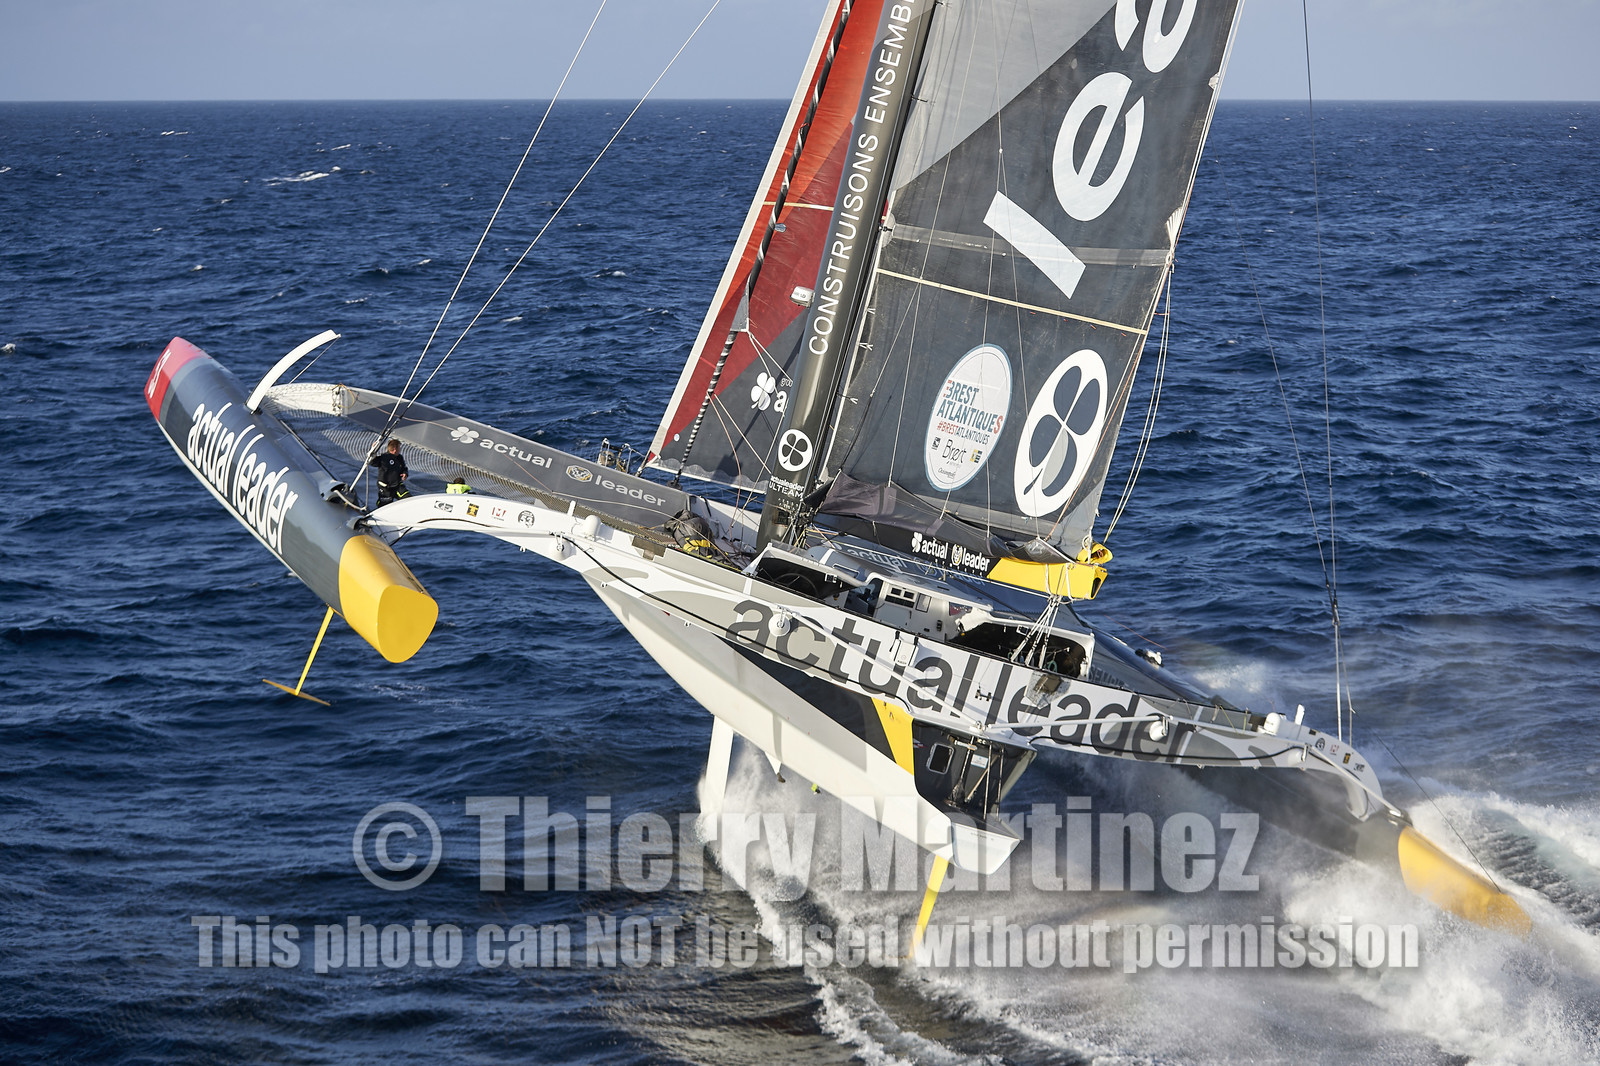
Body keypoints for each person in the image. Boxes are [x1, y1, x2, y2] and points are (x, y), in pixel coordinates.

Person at [370, 439, 409, 506]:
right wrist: (373, 450)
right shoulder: (383, 457)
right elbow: (372, 462)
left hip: (397, 486)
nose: (400, 450)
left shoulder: (400, 457)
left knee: (408, 499)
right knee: (385, 506)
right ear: (395, 449)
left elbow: (404, 468)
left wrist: (405, 473)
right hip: (386, 488)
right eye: (399, 447)